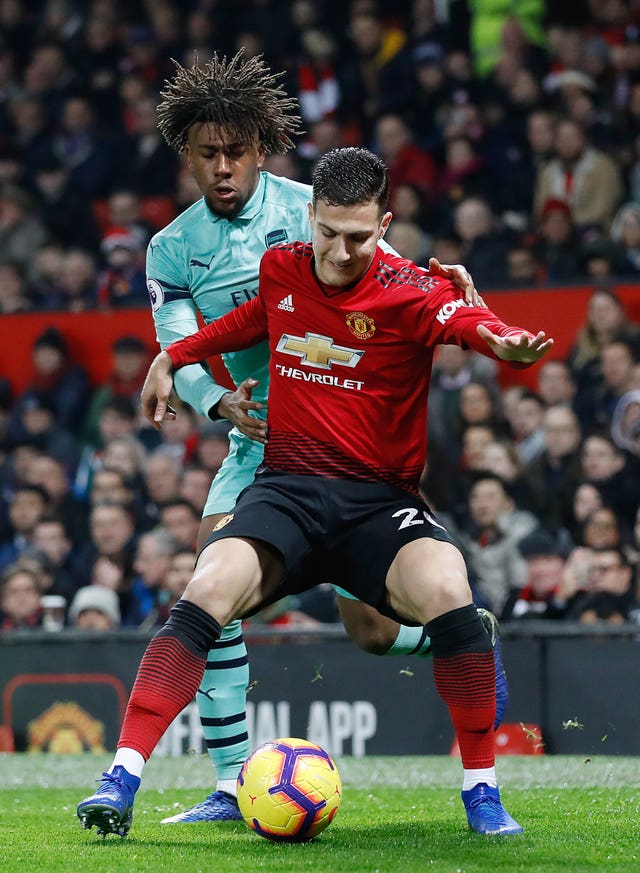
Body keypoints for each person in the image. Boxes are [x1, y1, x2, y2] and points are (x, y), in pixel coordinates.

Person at [77, 146, 554, 839]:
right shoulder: (283, 268)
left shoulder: (412, 288)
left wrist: (506, 340)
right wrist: (175, 353)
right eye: (327, 232)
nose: (338, 251)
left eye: (358, 237)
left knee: (449, 589)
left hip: (376, 506)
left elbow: (466, 323)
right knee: (207, 581)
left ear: (384, 223)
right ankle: (119, 779)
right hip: (288, 493)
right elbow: (244, 325)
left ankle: (481, 790)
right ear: (311, 217)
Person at [126, 50, 501, 827]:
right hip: (257, 437)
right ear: (187, 157)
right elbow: (178, 336)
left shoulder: (312, 208)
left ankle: (460, 643)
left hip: (347, 435)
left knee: (368, 630)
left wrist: (459, 302)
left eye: (236, 151)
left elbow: (391, 278)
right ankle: (231, 782)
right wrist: (220, 402)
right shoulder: (170, 249)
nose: (223, 166)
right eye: (207, 154)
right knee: (211, 585)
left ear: (260, 148)